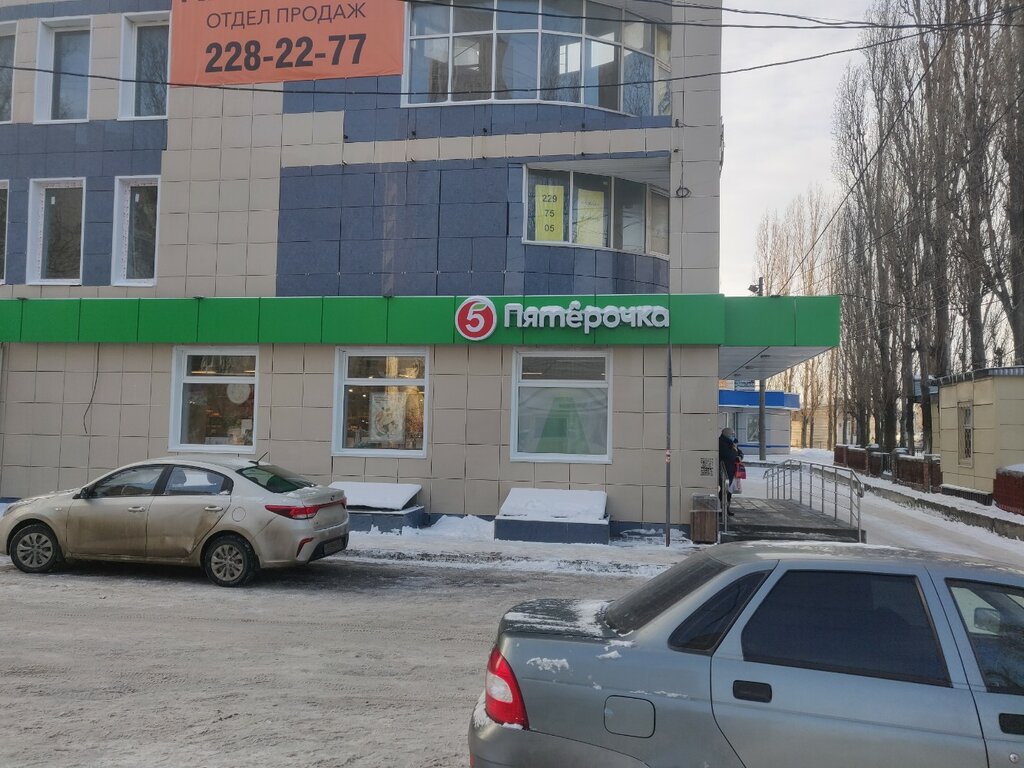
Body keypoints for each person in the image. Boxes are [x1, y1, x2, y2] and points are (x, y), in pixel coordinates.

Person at [718, 427, 744, 514]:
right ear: (727, 434)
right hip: (724, 470)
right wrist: (736, 453)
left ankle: (726, 508)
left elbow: (740, 452)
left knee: (729, 490)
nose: (733, 436)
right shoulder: (721, 443)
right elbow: (729, 455)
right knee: (724, 490)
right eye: (732, 434)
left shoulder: (731, 443)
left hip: (731, 470)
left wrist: (739, 456)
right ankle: (721, 508)